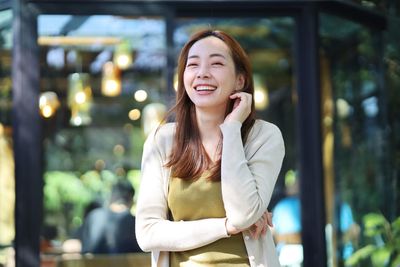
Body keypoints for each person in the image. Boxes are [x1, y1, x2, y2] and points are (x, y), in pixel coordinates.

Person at [136, 29, 285, 267]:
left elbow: (243, 213)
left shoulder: (263, 136)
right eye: (192, 65)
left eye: (216, 63)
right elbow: (147, 233)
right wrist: (226, 226)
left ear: (240, 80)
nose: (202, 73)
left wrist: (232, 128)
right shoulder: (162, 140)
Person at [80, 180, 142, 254]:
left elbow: (84, 249)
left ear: (111, 197)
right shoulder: (136, 223)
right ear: (131, 200)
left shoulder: (93, 217)